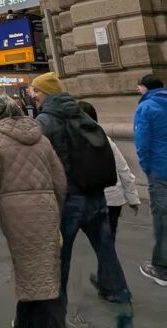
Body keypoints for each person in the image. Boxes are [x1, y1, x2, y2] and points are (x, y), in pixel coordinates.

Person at [31, 72, 130, 304]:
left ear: (46, 93)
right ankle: (117, 290)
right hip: (95, 194)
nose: (33, 95)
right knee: (105, 247)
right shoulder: (80, 113)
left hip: (68, 198)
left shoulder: (45, 121)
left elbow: (38, 159)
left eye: (36, 90)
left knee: (60, 254)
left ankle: (58, 302)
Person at [0, 94, 66, 328]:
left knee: (26, 264)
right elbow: (60, 179)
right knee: (47, 265)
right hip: (46, 206)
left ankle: (29, 320)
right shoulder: (42, 139)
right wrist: (56, 205)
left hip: (15, 211)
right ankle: (43, 319)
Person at [77, 100, 140, 242]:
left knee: (100, 243)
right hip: (113, 200)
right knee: (107, 244)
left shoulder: (72, 143)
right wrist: (132, 199)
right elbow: (123, 169)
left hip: (91, 202)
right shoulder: (106, 140)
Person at [134, 72, 167, 286]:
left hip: (159, 168)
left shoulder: (145, 108)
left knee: (162, 217)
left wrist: (146, 167)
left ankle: (161, 268)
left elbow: (142, 143)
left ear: (144, 88)